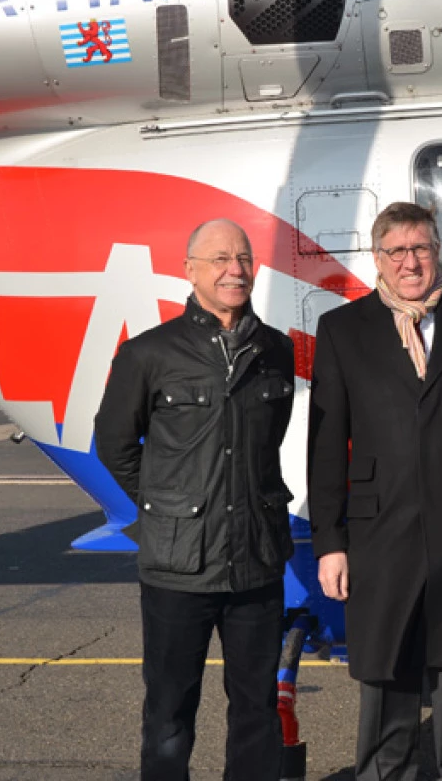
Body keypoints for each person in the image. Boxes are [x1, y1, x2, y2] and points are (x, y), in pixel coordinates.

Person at [307, 202, 442, 780]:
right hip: (380, 528)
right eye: (397, 252)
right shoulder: (342, 329)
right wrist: (329, 541)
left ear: (438, 253)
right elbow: (327, 445)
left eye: (421, 249)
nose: (411, 262)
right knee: (387, 670)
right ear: (378, 259)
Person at [94, 219, 295, 781]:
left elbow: (268, 442)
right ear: (190, 271)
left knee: (256, 710)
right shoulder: (148, 353)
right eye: (220, 260)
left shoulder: (275, 350)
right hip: (177, 568)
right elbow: (114, 443)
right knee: (168, 713)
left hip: (256, 563)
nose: (235, 270)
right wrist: (168, 509)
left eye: (244, 258)